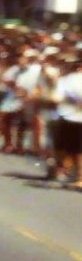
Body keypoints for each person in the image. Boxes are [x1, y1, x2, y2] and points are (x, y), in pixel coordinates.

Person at [49, 52, 82, 187]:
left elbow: (55, 98)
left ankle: (66, 171)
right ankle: (75, 175)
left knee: (68, 148)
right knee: (76, 150)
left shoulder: (66, 80)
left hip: (69, 118)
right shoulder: (66, 80)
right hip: (70, 118)